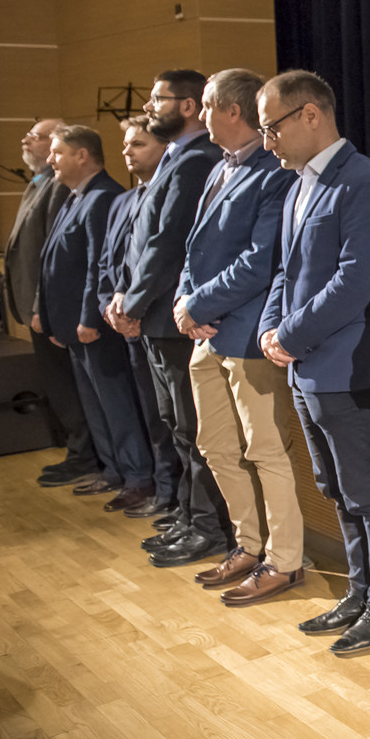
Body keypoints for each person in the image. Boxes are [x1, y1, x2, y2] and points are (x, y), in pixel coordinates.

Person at [257, 70, 370, 653]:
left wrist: (290, 335)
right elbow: (285, 270)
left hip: (346, 367)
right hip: (305, 366)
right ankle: (361, 590)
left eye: (273, 127)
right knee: (336, 488)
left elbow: (354, 283)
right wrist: (271, 328)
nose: (267, 141)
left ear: (311, 115)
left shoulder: (364, 182)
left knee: (367, 489)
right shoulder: (298, 185)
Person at [176, 68, 303, 606]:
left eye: (206, 105)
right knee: (215, 446)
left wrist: (198, 306)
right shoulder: (219, 167)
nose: (200, 114)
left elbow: (260, 262)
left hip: (248, 334)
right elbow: (193, 250)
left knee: (266, 450)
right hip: (205, 333)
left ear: (233, 110)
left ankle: (284, 561)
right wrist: (185, 302)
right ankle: (248, 546)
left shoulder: (274, 171)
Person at [114, 69, 231, 568]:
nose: (149, 107)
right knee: (176, 426)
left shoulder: (195, 160)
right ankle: (189, 513)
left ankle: (209, 526)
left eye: (157, 98)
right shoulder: (176, 159)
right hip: (158, 317)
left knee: (194, 428)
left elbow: (168, 246)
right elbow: (142, 242)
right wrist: (127, 295)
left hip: (174, 316)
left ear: (187, 105)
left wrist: (134, 302)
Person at [30, 126, 150, 504]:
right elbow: (54, 263)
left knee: (116, 404)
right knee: (97, 406)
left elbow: (99, 266)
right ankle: (113, 470)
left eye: (57, 152)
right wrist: (50, 317)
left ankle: (137, 477)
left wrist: (89, 319)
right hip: (73, 326)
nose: (51, 159)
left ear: (82, 155)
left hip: (94, 326)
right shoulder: (75, 196)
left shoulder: (102, 197)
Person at [6, 117, 98, 487]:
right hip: (37, 305)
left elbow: (54, 256)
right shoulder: (38, 183)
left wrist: (40, 305)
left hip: (50, 307)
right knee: (58, 384)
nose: (25, 140)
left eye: (36, 136)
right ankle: (77, 450)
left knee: (67, 384)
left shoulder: (58, 188)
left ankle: (85, 455)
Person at [100, 119, 184, 519]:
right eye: (125, 144)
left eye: (138, 143)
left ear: (164, 148)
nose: (126, 151)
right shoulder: (124, 200)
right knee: (154, 417)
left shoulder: (172, 191)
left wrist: (133, 307)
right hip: (132, 320)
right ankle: (165, 492)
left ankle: (175, 497)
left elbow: (164, 255)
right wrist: (115, 302)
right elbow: (114, 261)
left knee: (175, 422)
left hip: (159, 319)